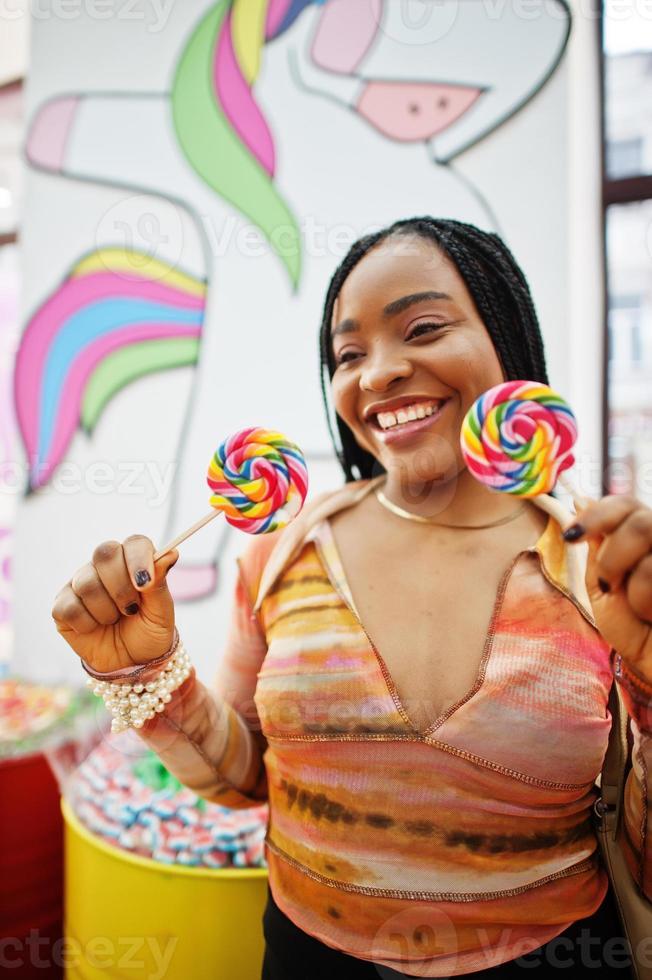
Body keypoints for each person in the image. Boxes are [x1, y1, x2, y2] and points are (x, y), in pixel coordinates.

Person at [52, 217, 652, 979]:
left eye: (423, 327)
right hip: (312, 958)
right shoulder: (285, 549)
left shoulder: (603, 568)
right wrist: (149, 676)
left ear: (505, 334)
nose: (375, 375)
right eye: (348, 354)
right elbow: (244, 778)